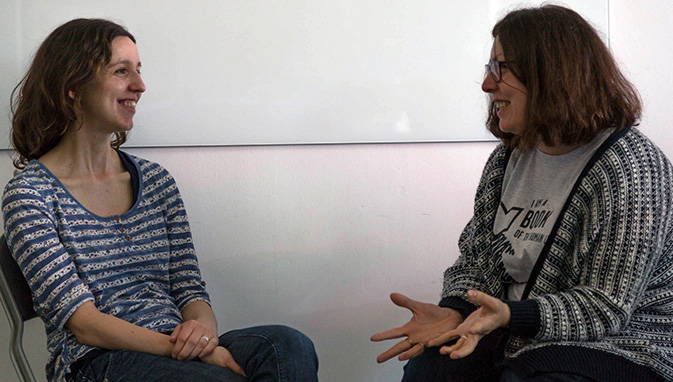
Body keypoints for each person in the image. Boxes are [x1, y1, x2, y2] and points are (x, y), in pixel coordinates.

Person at [2, 19, 318, 382]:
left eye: (138, 71)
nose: (139, 86)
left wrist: (201, 333)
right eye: (122, 71)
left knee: (288, 346)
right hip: (96, 361)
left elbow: (189, 289)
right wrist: (189, 351)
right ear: (72, 86)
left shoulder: (155, 181)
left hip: (176, 349)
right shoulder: (29, 195)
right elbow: (84, 324)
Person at [371, 5, 673, 382]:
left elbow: (605, 308)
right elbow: (477, 260)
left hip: (622, 346)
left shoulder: (632, 167)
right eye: (489, 69)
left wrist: (512, 316)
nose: (487, 85)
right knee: (430, 370)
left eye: (501, 69)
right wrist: (455, 310)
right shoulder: (508, 157)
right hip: (518, 337)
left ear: (551, 74)